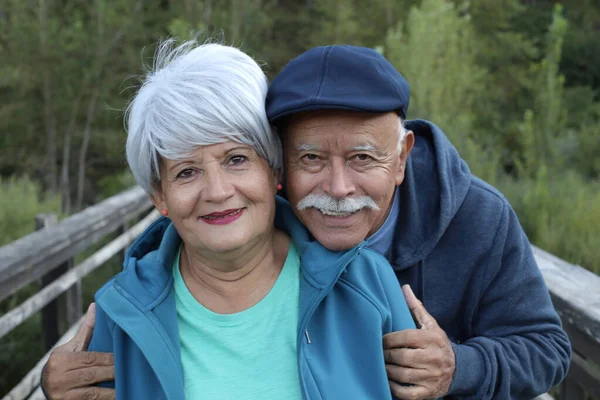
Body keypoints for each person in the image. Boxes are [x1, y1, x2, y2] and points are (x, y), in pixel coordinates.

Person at [42, 44, 572, 400]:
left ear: (403, 155)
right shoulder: (132, 301)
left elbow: (546, 347)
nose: (337, 189)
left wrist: (459, 367)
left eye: (363, 158)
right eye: (312, 159)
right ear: (282, 167)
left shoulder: (459, 229)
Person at [41, 40, 416, 400]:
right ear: (159, 196)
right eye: (186, 172)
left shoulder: (365, 282)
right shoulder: (122, 314)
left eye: (236, 159)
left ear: (273, 170)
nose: (217, 191)